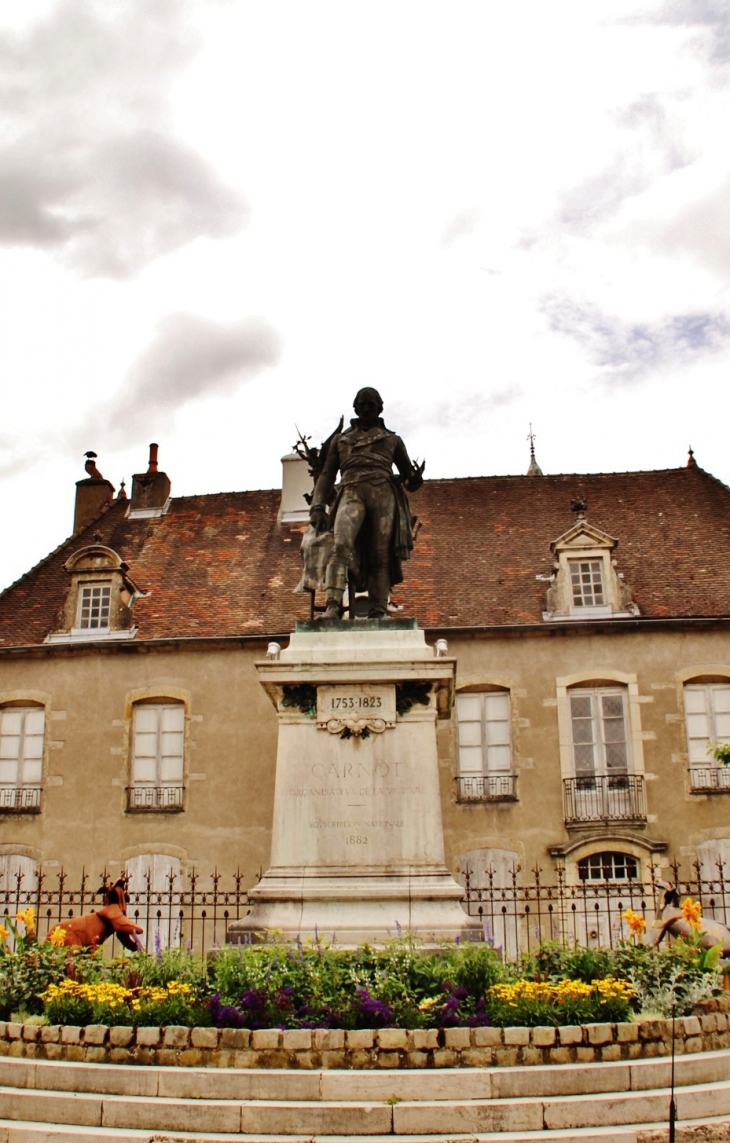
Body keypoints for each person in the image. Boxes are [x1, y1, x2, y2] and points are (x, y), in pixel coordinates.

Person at [309, 387, 424, 620]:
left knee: (379, 554)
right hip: (351, 491)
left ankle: (378, 611)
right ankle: (332, 605)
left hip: (382, 493)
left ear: (380, 408)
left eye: (371, 404)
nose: (366, 408)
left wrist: (415, 479)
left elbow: (409, 479)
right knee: (340, 546)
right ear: (355, 407)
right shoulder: (341, 441)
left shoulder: (392, 441)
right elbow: (327, 475)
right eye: (362, 404)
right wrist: (318, 505)